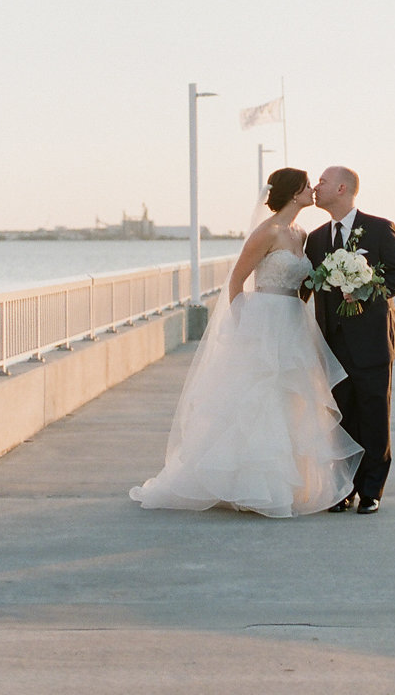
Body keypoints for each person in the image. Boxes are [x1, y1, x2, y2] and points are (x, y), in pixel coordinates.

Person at [130, 168, 362, 518]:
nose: (312, 191)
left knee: (292, 401)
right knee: (257, 400)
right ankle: (249, 485)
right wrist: (244, 327)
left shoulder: (299, 233)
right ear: (293, 193)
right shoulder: (266, 232)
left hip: (293, 321)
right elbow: (237, 280)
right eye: (305, 187)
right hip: (263, 320)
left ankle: (289, 484)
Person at [305, 166, 395, 515]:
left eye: (321, 182)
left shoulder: (380, 229)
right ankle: (342, 489)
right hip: (332, 342)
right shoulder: (316, 239)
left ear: (342, 187)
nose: (315, 187)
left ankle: (371, 490)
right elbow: (306, 286)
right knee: (340, 417)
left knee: (374, 413)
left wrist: (364, 290)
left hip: (373, 339)